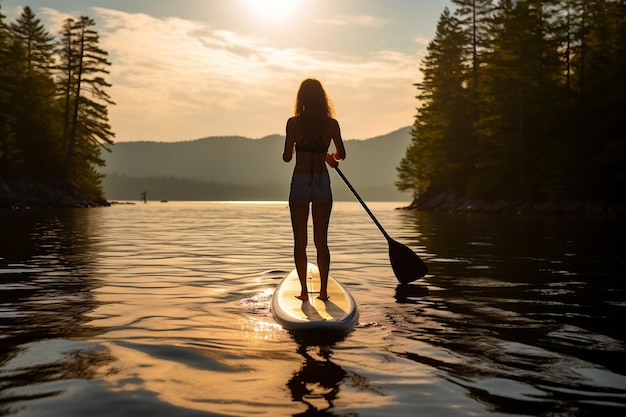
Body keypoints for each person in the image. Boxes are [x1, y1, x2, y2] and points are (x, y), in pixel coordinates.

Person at [282, 79, 346, 301]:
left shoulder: (292, 123)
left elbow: (286, 157)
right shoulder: (331, 124)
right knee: (322, 241)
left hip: (300, 183)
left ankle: (303, 292)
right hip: (321, 183)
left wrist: (294, 146)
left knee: (300, 241)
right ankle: (324, 292)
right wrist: (330, 157)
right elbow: (341, 155)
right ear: (322, 99)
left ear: (301, 99)